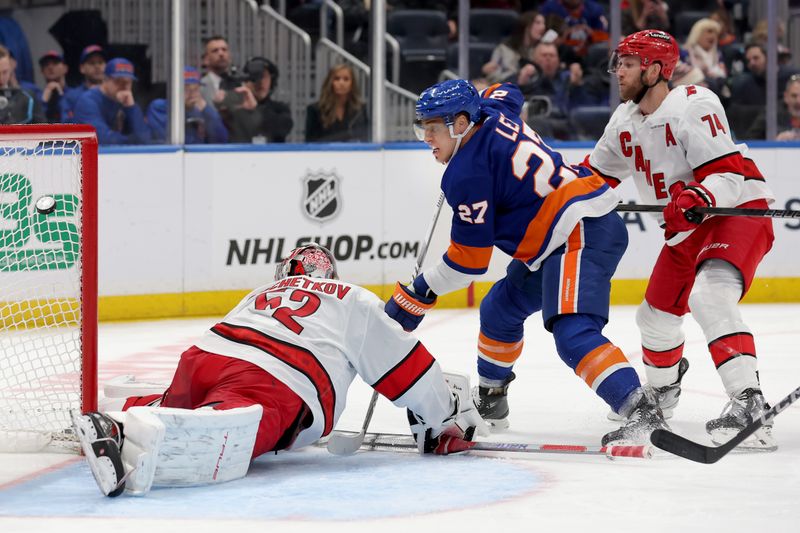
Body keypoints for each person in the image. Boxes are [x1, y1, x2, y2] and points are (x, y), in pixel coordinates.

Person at [384, 78, 669, 447]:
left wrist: (421, 290)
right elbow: (509, 90)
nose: (426, 137)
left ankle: (640, 409)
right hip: (557, 236)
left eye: (433, 127)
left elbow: (469, 263)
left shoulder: (466, 174)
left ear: (459, 124)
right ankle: (491, 400)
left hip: (578, 231)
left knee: (573, 333)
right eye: (422, 127)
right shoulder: (491, 110)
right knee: (499, 308)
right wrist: (482, 96)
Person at [71, 244, 486, 497]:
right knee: (223, 429)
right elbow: (405, 367)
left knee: (182, 400)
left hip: (203, 357)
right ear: (331, 276)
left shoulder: (261, 291)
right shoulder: (350, 296)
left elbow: (232, 351)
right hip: (277, 378)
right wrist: (443, 417)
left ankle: (121, 411)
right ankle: (126, 433)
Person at [584, 30, 776, 450]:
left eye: (629, 64)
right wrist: (550, 189)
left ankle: (749, 403)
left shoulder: (694, 104)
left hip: (735, 212)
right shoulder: (624, 121)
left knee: (710, 295)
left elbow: (727, 174)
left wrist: (697, 195)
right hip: (687, 228)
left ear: (655, 70)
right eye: (619, 63)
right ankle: (660, 400)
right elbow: (592, 179)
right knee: (653, 318)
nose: (619, 72)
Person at [72, 57, 152, 145]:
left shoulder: (127, 100)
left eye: (127, 82)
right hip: (83, 155)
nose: (123, 86)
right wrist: (134, 140)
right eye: (118, 81)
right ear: (105, 80)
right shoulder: (87, 101)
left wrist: (131, 107)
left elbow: (145, 139)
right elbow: (103, 139)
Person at [146, 66, 228, 144]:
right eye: (186, 89)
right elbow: (168, 140)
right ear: (174, 89)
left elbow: (221, 140)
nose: (192, 94)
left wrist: (206, 109)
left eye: (195, 89)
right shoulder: (159, 107)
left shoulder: (201, 112)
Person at [227, 56, 293, 143]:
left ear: (272, 81)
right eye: (255, 77)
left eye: (264, 76)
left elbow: (281, 130)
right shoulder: (236, 108)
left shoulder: (280, 109)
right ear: (246, 79)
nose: (260, 82)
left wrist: (255, 109)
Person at [305, 63, 368, 143]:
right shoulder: (315, 110)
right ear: (330, 82)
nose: (341, 83)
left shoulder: (361, 110)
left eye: (346, 79)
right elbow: (311, 142)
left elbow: (365, 138)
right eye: (337, 79)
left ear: (352, 83)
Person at [482, 11, 547, 85]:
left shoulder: (541, 50)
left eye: (543, 24)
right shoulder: (504, 49)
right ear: (526, 25)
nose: (543, 27)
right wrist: (517, 77)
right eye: (538, 23)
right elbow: (493, 77)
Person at [0, 45, 44, 124]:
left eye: (5, 72)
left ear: (11, 68)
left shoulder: (27, 97)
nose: (1, 78)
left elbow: (42, 129)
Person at [62, 45, 106, 122]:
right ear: (82, 68)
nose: (97, 66)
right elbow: (65, 124)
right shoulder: (71, 96)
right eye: (92, 63)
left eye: (100, 62)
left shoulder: (113, 95)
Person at [684, 18, 726, 95]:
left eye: (716, 33)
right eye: (709, 31)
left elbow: (723, 73)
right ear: (697, 33)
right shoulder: (685, 53)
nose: (713, 35)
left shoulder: (718, 54)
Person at [38, 50, 72, 122]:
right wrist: (43, 102)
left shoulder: (75, 95)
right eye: (46, 64)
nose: (50, 67)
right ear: (41, 71)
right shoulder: (38, 97)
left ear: (65, 68)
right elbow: (36, 124)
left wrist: (60, 97)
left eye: (55, 63)